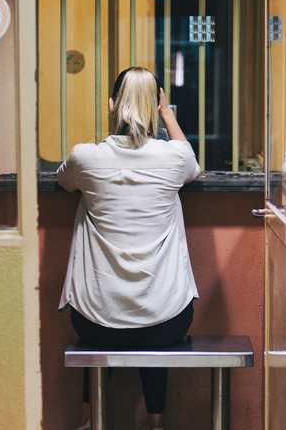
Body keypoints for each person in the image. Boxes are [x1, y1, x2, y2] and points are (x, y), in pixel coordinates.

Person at [57, 67, 200, 430]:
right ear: (156, 107)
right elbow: (192, 166)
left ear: (110, 106)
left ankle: (93, 420)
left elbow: (64, 180)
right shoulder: (173, 158)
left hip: (95, 322)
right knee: (155, 313)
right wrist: (167, 115)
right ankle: (156, 423)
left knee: (107, 315)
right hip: (169, 320)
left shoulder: (86, 157)